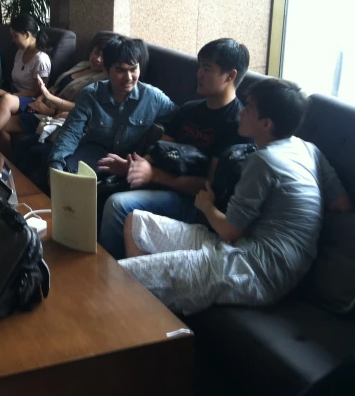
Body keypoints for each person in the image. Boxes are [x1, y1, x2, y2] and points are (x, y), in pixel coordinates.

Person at [119, 78, 353, 316]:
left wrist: (206, 205)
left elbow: (230, 231)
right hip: (246, 250)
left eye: (249, 108)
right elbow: (341, 204)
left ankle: (141, 317)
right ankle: (149, 317)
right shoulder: (308, 149)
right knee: (136, 222)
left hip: (257, 270)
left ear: (266, 124)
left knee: (119, 277)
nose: (241, 112)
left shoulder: (265, 161)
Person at [99, 38, 252, 259]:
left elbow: (208, 186)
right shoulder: (188, 110)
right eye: (200, 66)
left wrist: (155, 175)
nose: (198, 74)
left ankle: (110, 276)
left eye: (207, 69)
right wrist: (133, 166)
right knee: (101, 187)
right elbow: (159, 151)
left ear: (230, 76)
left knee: (118, 205)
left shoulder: (237, 125)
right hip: (164, 187)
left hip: (194, 203)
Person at [47, 35, 177, 177]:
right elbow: (71, 132)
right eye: (120, 70)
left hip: (130, 163)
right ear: (106, 71)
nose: (128, 77)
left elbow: (181, 119)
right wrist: (56, 165)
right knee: (66, 174)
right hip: (94, 154)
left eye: (133, 69)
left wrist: (154, 154)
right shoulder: (90, 95)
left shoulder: (153, 97)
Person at [12, 31, 113, 183]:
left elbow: (81, 110)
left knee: (34, 151)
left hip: (57, 119)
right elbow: (55, 87)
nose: (98, 59)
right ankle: (11, 182)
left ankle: (24, 190)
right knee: (21, 142)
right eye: (96, 52)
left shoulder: (104, 81)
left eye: (104, 57)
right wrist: (40, 98)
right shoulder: (82, 65)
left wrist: (49, 103)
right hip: (49, 111)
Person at [0, 14, 51, 157]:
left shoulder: (41, 60)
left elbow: (37, 93)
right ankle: (4, 160)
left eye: (15, 36)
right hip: (15, 97)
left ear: (27, 35)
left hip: (30, 101)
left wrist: (7, 95)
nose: (13, 40)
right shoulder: (20, 52)